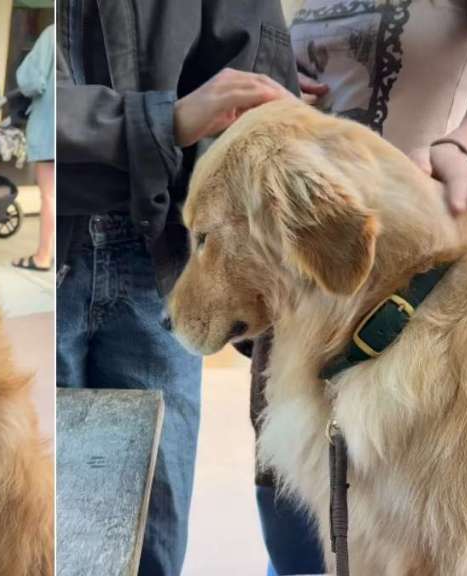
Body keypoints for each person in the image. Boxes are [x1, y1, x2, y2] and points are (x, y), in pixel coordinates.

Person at [252, 1, 467, 574]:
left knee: (411, 525)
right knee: (293, 518)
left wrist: (460, 148)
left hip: (420, 294)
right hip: (305, 290)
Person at [56, 1, 299, 574]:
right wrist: (163, 122)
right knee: (42, 531)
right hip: (71, 246)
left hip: (166, 250)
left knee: (154, 542)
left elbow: (256, 85)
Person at [12, 25, 55, 272]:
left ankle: (43, 256)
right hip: (80, 126)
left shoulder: (51, 34)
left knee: (49, 196)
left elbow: (30, 81)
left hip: (50, 127)